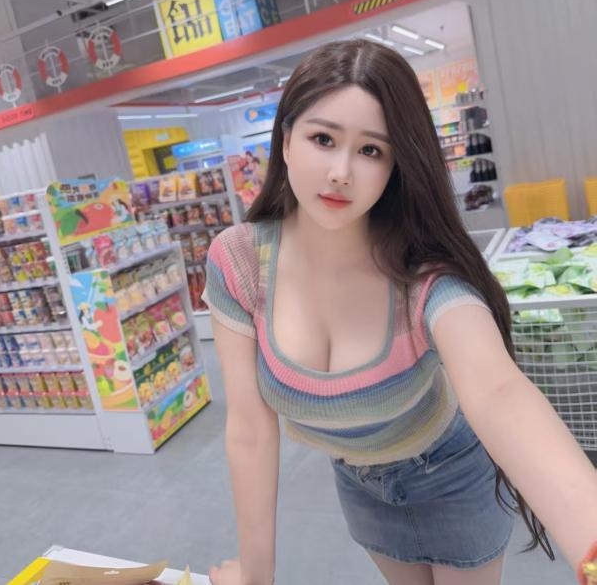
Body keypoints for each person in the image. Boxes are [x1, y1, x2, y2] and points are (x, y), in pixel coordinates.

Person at [203, 40, 597, 585]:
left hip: (452, 473)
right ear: (286, 140)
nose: (341, 171)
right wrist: (255, 574)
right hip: (359, 485)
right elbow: (250, 427)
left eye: (371, 150)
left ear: (395, 166)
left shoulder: (423, 276)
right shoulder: (239, 261)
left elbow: (499, 393)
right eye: (323, 139)